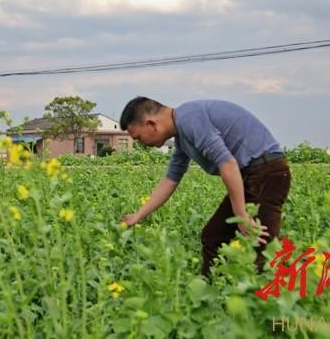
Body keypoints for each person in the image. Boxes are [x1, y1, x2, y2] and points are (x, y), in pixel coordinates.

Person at [120, 97, 291, 277]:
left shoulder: (189, 119)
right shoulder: (182, 135)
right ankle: (213, 294)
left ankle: (298, 284)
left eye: (138, 138)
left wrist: (240, 215)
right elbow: (171, 179)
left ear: (151, 124)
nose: (141, 144)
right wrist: (139, 215)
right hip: (252, 175)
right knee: (214, 236)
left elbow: (227, 163)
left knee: (263, 248)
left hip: (267, 173)